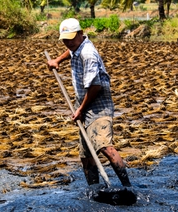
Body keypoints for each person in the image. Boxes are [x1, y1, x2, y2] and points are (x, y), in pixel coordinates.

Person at [47, 18, 132, 188]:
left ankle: (127, 187)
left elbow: (95, 87)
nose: (68, 43)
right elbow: (70, 52)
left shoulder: (88, 54)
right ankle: (94, 189)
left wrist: (80, 109)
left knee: (103, 146)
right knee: (86, 153)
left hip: (98, 102)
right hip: (84, 102)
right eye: (65, 39)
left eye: (71, 38)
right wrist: (57, 60)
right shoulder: (76, 46)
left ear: (80, 33)